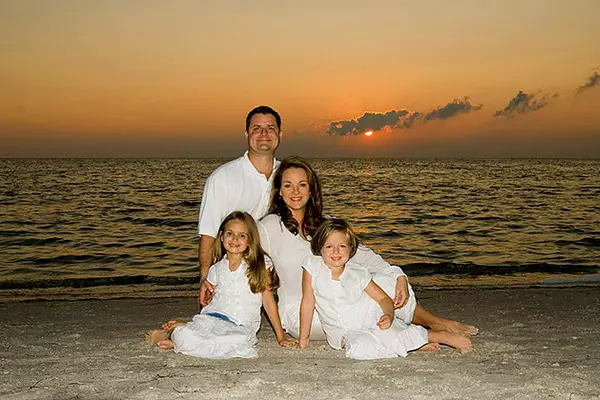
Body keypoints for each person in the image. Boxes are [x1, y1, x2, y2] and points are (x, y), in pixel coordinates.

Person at [258, 156, 479, 340]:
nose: (295, 191)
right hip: (303, 315)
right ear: (279, 191)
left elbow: (366, 257)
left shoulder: (328, 223)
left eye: (302, 184)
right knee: (364, 305)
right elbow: (256, 279)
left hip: (341, 301)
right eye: (288, 185)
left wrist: (398, 275)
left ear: (311, 190)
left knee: (384, 285)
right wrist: (279, 334)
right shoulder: (268, 227)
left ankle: (431, 324)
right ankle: (423, 335)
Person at [298, 218, 471, 360]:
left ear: (351, 249)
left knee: (389, 334)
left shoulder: (358, 273)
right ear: (320, 248)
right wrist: (303, 338)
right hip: (344, 334)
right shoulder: (312, 267)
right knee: (360, 350)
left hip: (369, 318)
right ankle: (412, 345)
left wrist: (388, 315)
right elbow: (308, 302)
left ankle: (438, 335)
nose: (336, 251)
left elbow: (382, 299)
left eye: (342, 246)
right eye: (329, 246)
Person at [146, 211, 297, 358]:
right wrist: (200, 321)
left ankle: (182, 337)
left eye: (242, 235)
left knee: (240, 342)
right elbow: (209, 301)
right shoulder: (216, 268)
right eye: (230, 233)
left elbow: (268, 301)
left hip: (240, 326)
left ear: (250, 240)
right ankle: (178, 334)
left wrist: (281, 337)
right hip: (213, 318)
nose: (235, 239)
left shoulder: (259, 266)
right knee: (188, 334)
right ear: (221, 236)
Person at [197, 106, 282, 307]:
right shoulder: (223, 178)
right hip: (234, 265)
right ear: (246, 134)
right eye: (256, 128)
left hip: (275, 264)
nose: (264, 134)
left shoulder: (286, 176)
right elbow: (208, 233)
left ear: (279, 134)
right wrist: (205, 278)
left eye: (270, 128)